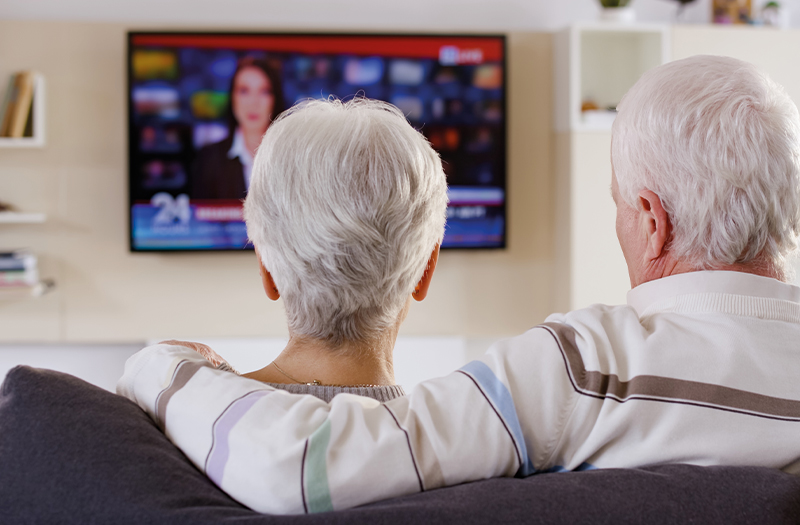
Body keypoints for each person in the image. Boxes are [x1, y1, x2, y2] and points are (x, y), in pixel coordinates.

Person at [118, 56, 800, 515]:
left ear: (650, 222)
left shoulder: (583, 367)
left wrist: (164, 363)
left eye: (619, 201)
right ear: (427, 265)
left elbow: (309, 463)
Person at [191, 56, 286, 200]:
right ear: (232, 98)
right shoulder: (209, 159)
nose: (254, 102)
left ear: (275, 99)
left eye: (264, 91)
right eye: (244, 91)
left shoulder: (292, 160)